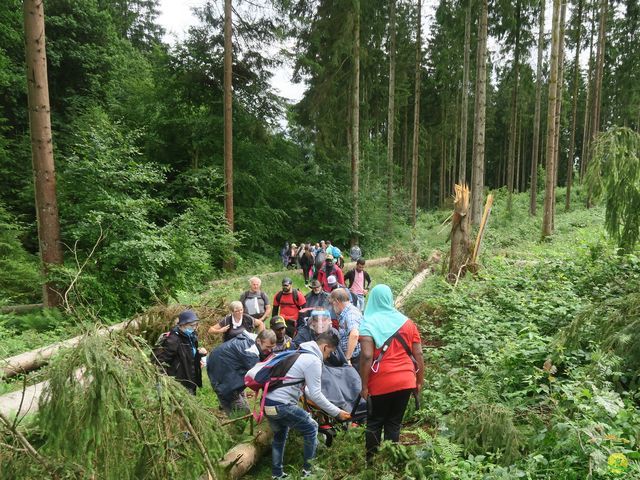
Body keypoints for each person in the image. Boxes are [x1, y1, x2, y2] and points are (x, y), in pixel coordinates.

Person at [264, 332, 351, 478]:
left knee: (280, 435)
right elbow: (316, 394)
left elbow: (307, 391)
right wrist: (337, 412)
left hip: (267, 404)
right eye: (330, 352)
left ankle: (276, 474)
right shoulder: (313, 360)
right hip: (282, 405)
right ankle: (309, 471)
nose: (329, 356)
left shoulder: (299, 352)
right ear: (325, 347)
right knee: (312, 428)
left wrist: (332, 407)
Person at [358, 284, 424, 460]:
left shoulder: (368, 323)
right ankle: (389, 460)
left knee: (374, 423)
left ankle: (371, 464)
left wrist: (364, 386)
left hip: (380, 382)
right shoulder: (408, 323)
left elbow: (366, 356)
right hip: (406, 380)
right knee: (394, 423)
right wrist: (419, 381)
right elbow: (418, 353)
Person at [207, 329, 277, 415]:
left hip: (229, 370)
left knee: (243, 407)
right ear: (259, 341)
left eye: (272, 348)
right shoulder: (249, 351)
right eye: (268, 347)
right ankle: (233, 423)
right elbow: (259, 376)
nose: (270, 350)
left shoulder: (253, 340)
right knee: (242, 414)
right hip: (224, 382)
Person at [152, 310, 207, 395]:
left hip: (190, 376)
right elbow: (160, 361)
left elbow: (188, 353)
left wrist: (199, 355)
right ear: (183, 324)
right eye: (192, 325)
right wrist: (163, 382)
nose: (195, 327)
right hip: (179, 380)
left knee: (190, 403)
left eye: (196, 325)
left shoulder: (192, 335)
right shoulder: (173, 339)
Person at [329, 288, 362, 370]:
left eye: (332, 304)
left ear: (337, 301)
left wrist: (347, 358)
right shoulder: (346, 313)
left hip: (354, 360)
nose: (332, 307)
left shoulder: (351, 314)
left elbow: (354, 334)